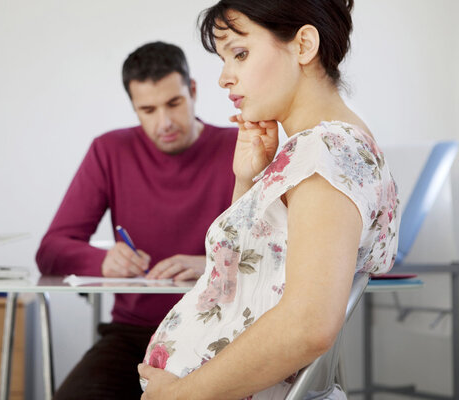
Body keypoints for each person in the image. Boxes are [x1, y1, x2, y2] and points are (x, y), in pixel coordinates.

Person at [138, 1, 399, 399]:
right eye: (224, 60)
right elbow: (247, 283)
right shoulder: (314, 152)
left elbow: (307, 324)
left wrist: (179, 395)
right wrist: (247, 179)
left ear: (304, 46)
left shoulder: (326, 151)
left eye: (240, 54)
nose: (225, 79)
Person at [36, 41, 238, 399]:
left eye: (174, 103)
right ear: (134, 108)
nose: (165, 122)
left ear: (192, 91)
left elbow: (277, 250)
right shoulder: (109, 151)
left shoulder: (239, 146)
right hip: (133, 336)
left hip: (218, 333)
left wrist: (212, 263)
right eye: (148, 109)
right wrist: (103, 260)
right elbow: (51, 250)